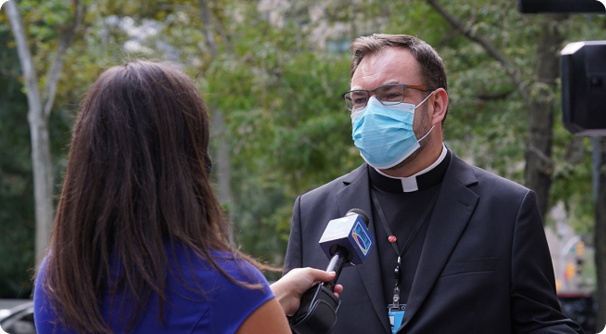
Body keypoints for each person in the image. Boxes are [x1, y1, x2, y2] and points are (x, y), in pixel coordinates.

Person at [283, 34, 583, 334]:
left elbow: (545, 326)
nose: (371, 111)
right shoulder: (312, 210)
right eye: (360, 99)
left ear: (436, 105)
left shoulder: (507, 208)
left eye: (391, 95)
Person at [33, 60, 342, 334]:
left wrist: (264, 301)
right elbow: (213, 307)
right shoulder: (230, 285)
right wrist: (257, 301)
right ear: (190, 158)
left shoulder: (58, 276)